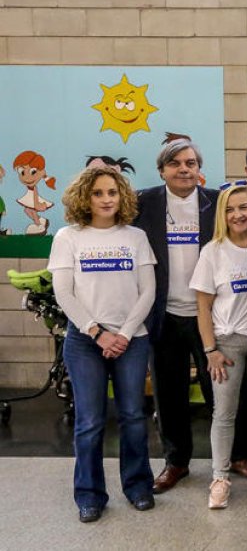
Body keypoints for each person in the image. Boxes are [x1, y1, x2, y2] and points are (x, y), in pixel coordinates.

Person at [134, 139, 247, 494]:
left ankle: (239, 455)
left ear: (199, 168)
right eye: (175, 163)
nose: (184, 169)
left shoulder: (214, 203)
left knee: (223, 390)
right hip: (164, 313)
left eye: (190, 162)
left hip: (211, 314)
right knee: (169, 391)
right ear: (162, 169)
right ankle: (176, 462)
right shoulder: (144, 203)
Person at [50, 166, 157, 522]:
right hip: (85, 342)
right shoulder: (68, 237)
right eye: (98, 193)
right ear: (85, 197)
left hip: (131, 339)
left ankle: (138, 486)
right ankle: (89, 494)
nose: (106, 199)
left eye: (112, 192)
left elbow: (148, 292)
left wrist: (123, 334)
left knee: (133, 417)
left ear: (122, 195)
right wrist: (98, 332)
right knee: (90, 422)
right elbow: (63, 292)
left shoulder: (136, 237)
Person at [191, 183, 247, 509]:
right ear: (222, 215)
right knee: (224, 412)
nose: (238, 214)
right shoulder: (212, 251)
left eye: (244, 207)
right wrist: (210, 350)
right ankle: (220, 477)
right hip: (226, 343)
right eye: (230, 209)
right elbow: (202, 307)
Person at [12, 149, 57, 235]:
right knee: (27, 210)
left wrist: (37, 205)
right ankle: (41, 221)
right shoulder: (30, 187)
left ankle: (38, 225)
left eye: (33, 172)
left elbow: (35, 198)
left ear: (42, 172)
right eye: (22, 172)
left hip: (34, 202)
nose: (26, 177)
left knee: (30, 210)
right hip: (30, 200)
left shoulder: (34, 188)